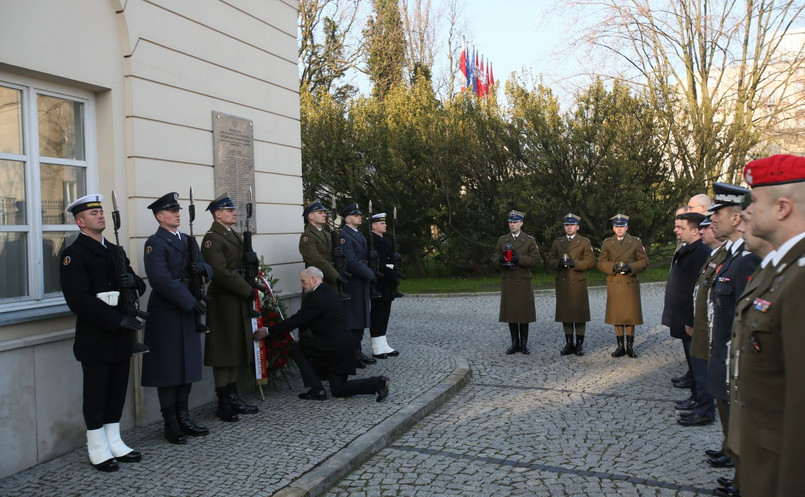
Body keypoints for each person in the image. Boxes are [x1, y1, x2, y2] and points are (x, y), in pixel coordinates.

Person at [732, 154, 805, 497]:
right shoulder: (781, 269)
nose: (746, 211)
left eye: (755, 200)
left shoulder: (800, 280)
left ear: (782, 208)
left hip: (779, 471)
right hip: (761, 458)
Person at [60, 194, 144, 472]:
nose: (100, 215)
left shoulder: (115, 251)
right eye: (93, 213)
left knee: (117, 389)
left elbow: (138, 287)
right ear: (80, 222)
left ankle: (114, 441)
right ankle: (97, 446)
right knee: (96, 392)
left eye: (100, 211)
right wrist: (117, 321)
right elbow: (79, 300)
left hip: (121, 335)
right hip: (96, 335)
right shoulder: (74, 254)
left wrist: (133, 282)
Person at [253, 267, 390, 402]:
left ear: (313, 279)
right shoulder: (329, 292)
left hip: (332, 348)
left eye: (303, 281)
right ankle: (377, 383)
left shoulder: (315, 297)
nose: (301, 285)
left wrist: (267, 331)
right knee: (338, 390)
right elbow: (308, 320)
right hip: (345, 346)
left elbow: (298, 319)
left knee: (297, 348)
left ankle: (317, 389)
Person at [141, 192, 212, 444]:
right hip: (169, 312)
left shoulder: (188, 240)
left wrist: (202, 269)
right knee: (169, 370)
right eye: (171, 211)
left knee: (187, 367)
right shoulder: (155, 243)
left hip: (188, 310)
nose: (177, 214)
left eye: (178, 210)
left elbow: (207, 267)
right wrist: (190, 302)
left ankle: (184, 417)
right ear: (160, 217)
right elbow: (161, 280)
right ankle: (170, 423)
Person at [692, 184, 759, 438]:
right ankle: (730, 449)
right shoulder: (731, 256)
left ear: (735, 217)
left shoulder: (746, 258)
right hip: (720, 346)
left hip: (732, 352)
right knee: (725, 402)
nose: (712, 221)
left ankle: (735, 455)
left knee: (734, 406)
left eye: (716, 215)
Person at [200, 193, 260, 423]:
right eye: (229, 210)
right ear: (217, 214)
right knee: (223, 351)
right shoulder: (212, 239)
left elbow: (239, 264)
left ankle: (233, 395)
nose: (234, 213)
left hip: (236, 298)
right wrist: (247, 290)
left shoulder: (232, 234)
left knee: (236, 348)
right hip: (224, 299)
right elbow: (221, 272)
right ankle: (223, 400)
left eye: (234, 210)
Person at [659, 212, 710, 426]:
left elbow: (696, 290)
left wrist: (691, 319)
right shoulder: (689, 249)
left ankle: (704, 408)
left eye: (680, 227)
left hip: (691, 319)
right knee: (692, 363)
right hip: (682, 315)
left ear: (695, 230)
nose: (675, 230)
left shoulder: (700, 253)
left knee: (700, 366)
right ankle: (696, 398)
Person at [678, 215, 725, 420]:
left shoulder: (717, 255)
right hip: (702, 322)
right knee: (699, 368)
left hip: (709, 325)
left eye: (709, 227)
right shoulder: (713, 255)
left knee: (704, 369)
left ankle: (705, 409)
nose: (703, 231)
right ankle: (701, 404)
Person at [597, 214, 649, 358]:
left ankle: (630, 346)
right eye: (617, 227)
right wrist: (614, 267)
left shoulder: (635, 242)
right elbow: (601, 262)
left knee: (630, 315)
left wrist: (630, 267)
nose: (619, 229)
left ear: (626, 227)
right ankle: (620, 346)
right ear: (613, 228)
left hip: (629, 282)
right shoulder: (608, 243)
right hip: (615, 282)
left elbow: (644, 261)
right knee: (617, 315)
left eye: (622, 226)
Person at [545, 213, 595, 356]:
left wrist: (576, 263)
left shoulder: (585, 242)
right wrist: (558, 263)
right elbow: (549, 260)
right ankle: (569, 343)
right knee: (565, 314)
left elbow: (591, 262)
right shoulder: (557, 242)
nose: (569, 227)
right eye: (567, 225)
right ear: (564, 227)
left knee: (579, 314)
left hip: (577, 282)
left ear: (577, 227)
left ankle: (579, 344)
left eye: (572, 225)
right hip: (563, 282)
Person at [493, 210, 540, 355]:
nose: (512, 225)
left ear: (521, 223)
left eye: (515, 222)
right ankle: (514, 343)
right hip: (508, 280)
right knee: (511, 314)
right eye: (510, 222)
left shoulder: (529, 240)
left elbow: (536, 260)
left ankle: (524, 344)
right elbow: (494, 258)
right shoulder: (502, 240)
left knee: (523, 314)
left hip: (523, 280)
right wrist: (499, 260)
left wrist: (518, 258)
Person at [337, 202, 377, 368]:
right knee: (353, 319)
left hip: (360, 281)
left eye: (359, 214)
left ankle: (358, 351)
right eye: (356, 215)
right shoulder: (344, 236)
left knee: (360, 317)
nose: (360, 217)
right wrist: (369, 274)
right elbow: (351, 262)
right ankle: (352, 353)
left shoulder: (357, 234)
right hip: (352, 281)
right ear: (347, 219)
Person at [368, 212, 400, 359]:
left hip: (388, 280)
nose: (385, 225)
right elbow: (376, 262)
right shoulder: (371, 240)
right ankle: (376, 346)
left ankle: (383, 343)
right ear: (374, 226)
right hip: (379, 280)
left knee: (385, 313)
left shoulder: (385, 240)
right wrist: (389, 272)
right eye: (382, 223)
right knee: (377, 313)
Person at [298, 200, 340, 291]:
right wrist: (336, 275)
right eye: (320, 213)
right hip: (316, 281)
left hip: (330, 279)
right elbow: (316, 260)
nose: (324, 215)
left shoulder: (327, 234)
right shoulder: (307, 236)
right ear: (311, 216)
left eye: (324, 212)